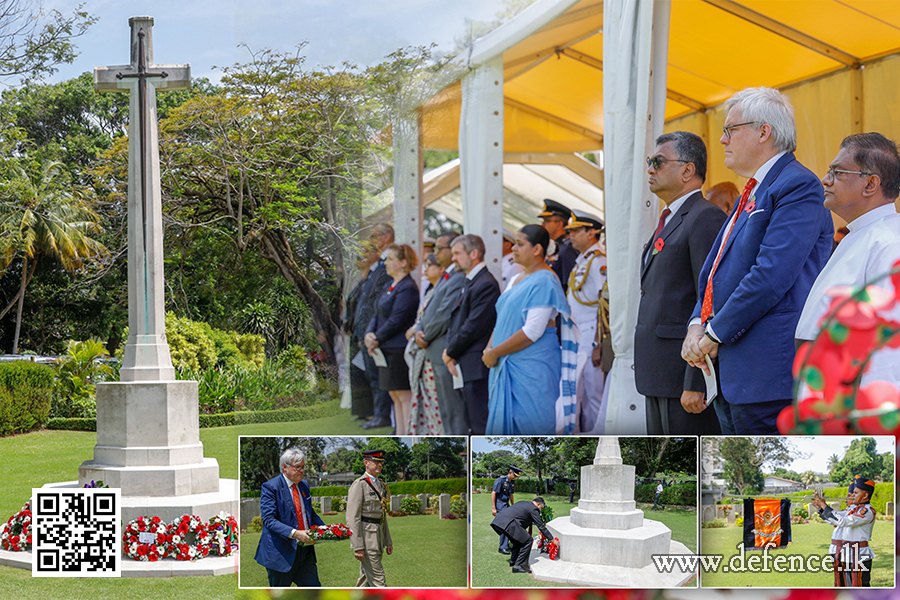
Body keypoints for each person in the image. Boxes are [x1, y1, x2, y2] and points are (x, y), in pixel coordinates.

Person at [682, 86, 833, 435]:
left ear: (764, 131)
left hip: (767, 374)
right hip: (734, 373)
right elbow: (716, 271)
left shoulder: (798, 185)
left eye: (730, 130)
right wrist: (696, 323)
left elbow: (770, 275)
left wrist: (713, 333)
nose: (722, 140)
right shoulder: (755, 189)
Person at [636, 132, 726, 436]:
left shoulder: (704, 217)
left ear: (688, 170)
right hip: (659, 373)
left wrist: (696, 381)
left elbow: (709, 300)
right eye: (650, 162)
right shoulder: (672, 218)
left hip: (682, 376)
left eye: (657, 162)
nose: (650, 168)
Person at [796, 133, 900, 386]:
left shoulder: (888, 243)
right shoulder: (861, 233)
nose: (825, 179)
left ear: (870, 184)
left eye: (837, 172)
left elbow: (889, 345)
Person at [483, 225, 576, 434]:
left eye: (520, 244)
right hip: (504, 359)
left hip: (531, 364)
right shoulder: (516, 278)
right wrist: (489, 349)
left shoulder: (545, 279)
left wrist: (495, 352)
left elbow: (533, 331)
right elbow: (503, 319)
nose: (513, 248)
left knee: (532, 427)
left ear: (537, 250)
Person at [443, 234, 501, 435]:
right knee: (470, 420)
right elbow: (457, 321)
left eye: (457, 253)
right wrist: (451, 352)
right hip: (465, 362)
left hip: (477, 366)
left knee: (479, 422)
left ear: (474, 254)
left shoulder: (485, 283)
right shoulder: (471, 280)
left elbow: (473, 326)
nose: (453, 259)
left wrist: (449, 352)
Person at [415, 230, 467, 434]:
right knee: (445, 409)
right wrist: (419, 329)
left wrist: (424, 336)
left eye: (439, 248)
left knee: (454, 410)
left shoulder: (459, 277)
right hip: (433, 349)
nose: (435, 252)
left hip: (443, 349)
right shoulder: (449, 275)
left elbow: (444, 314)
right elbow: (428, 309)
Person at [365, 244, 419, 435]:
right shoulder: (390, 285)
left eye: (390, 259)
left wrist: (376, 338)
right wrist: (369, 334)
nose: (386, 263)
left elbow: (397, 320)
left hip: (398, 349)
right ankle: (399, 432)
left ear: (403, 263)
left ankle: (406, 434)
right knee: (394, 394)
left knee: (404, 395)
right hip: (385, 349)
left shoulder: (408, 288)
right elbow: (377, 312)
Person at [564, 209, 608, 433]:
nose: (570, 235)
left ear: (591, 232)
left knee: (594, 394)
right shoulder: (582, 261)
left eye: (575, 230)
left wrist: (600, 343)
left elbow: (605, 302)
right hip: (578, 333)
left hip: (592, 333)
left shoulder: (599, 260)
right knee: (578, 393)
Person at [254, 447, 324, 587]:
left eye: (303, 467)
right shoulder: (270, 487)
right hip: (280, 555)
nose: (302, 471)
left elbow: (309, 513)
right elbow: (268, 520)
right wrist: (295, 533)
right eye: (297, 467)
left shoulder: (304, 485)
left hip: (305, 554)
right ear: (285, 467)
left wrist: (325, 529)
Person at [356, 223, 396, 430]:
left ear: (387, 236)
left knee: (379, 374)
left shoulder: (388, 262)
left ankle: (382, 415)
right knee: (372, 373)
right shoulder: (380, 263)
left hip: (377, 329)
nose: (371, 240)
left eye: (375, 236)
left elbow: (380, 298)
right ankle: (377, 413)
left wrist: (373, 330)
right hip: (368, 328)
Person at [405, 253, 445, 435]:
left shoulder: (443, 290)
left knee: (434, 401)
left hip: (432, 352)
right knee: (422, 398)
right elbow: (420, 319)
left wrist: (417, 332)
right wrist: (414, 329)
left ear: (441, 268)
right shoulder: (430, 291)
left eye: (429, 265)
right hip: (420, 353)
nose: (425, 269)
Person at [812, 477, 877, 587]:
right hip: (847, 553)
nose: (852, 495)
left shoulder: (867, 511)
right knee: (844, 586)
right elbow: (834, 520)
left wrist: (824, 505)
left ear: (865, 495)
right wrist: (821, 507)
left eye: (855, 493)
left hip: (859, 554)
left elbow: (842, 521)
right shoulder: (853, 509)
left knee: (859, 587)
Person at [347, 449, 393, 587]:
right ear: (366, 463)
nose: (379, 465)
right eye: (376, 462)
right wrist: (357, 546)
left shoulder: (379, 484)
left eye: (381, 462)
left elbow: (382, 516)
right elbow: (352, 517)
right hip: (366, 539)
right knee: (379, 580)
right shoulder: (359, 484)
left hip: (377, 538)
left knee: (365, 580)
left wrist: (387, 540)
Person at [345, 242, 379, 423]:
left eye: (363, 256)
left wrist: (363, 333)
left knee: (366, 372)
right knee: (356, 372)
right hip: (354, 332)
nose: (359, 260)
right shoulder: (360, 281)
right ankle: (361, 410)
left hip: (363, 334)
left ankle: (372, 412)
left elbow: (369, 309)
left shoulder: (372, 280)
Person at [490, 497, 558, 573]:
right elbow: (540, 526)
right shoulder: (533, 508)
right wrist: (552, 539)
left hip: (498, 521)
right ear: (538, 504)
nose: (540, 510)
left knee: (517, 540)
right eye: (541, 508)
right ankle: (517, 566)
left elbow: (519, 515)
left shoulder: (523, 503)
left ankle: (513, 561)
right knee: (528, 540)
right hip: (509, 523)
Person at [538, 199, 579, 292]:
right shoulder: (552, 246)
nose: (543, 224)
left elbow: (568, 284)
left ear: (559, 224)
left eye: (547, 221)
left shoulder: (567, 249)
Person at [491, 465, 521, 555]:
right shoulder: (500, 480)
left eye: (517, 476)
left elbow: (511, 494)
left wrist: (513, 506)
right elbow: (493, 493)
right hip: (500, 505)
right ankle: (502, 547)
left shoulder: (512, 482)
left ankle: (506, 545)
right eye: (515, 475)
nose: (515, 477)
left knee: (509, 525)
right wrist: (494, 508)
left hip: (506, 505)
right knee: (504, 525)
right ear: (510, 472)